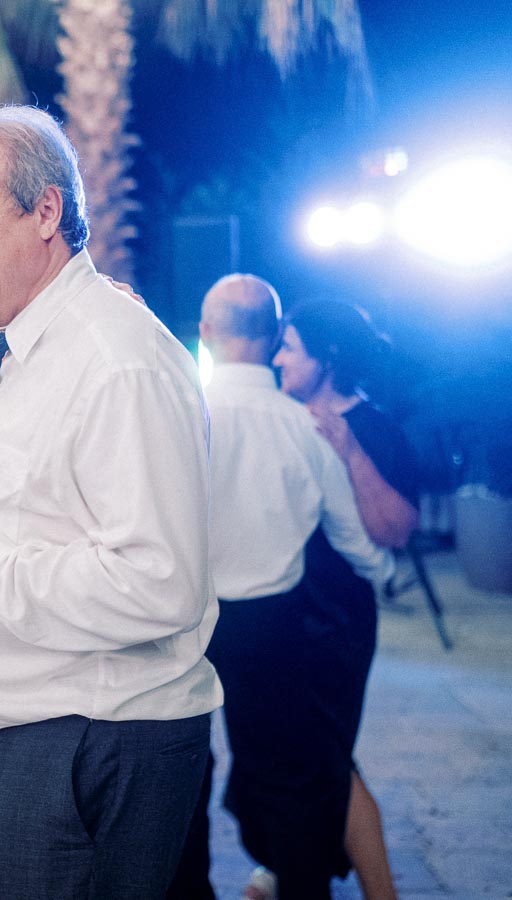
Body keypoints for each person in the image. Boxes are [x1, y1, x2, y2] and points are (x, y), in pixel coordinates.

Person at [0, 105, 219, 898]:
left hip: (88, 747)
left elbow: (160, 584)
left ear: (46, 210)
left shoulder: (118, 360)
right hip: (22, 741)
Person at [167, 275, 394, 900]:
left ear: (207, 333)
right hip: (274, 624)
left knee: (183, 766)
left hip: (185, 617)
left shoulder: (181, 414)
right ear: (271, 340)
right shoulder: (303, 426)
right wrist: (386, 572)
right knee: (284, 775)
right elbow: (354, 539)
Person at [274, 299, 419, 900]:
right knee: (293, 759)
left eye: (291, 347)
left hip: (335, 620)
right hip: (275, 610)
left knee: (327, 757)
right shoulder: (275, 417)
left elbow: (396, 531)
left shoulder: (377, 427)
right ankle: (283, 876)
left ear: (327, 358)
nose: (277, 357)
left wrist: (351, 452)